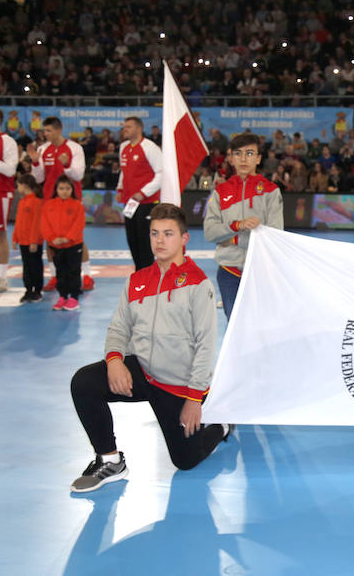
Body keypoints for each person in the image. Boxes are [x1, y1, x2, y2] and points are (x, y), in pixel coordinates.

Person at [69, 204, 232, 493]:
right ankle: (110, 460)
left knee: (185, 459)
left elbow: (205, 346)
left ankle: (221, 426)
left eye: (168, 234)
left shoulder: (198, 284)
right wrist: (115, 361)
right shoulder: (137, 280)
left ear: (183, 239)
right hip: (142, 372)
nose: (159, 240)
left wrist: (194, 399)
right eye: (154, 233)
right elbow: (118, 328)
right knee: (84, 382)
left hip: (178, 385)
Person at [203, 133, 284, 319]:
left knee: (260, 326)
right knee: (233, 325)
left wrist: (229, 240)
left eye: (249, 153)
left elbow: (275, 236)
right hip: (228, 270)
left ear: (258, 159)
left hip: (259, 271)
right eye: (238, 154)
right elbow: (209, 232)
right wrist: (237, 226)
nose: (243, 159)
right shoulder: (220, 192)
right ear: (231, 159)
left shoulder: (271, 191)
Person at [30, 116, 95, 291]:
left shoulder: (74, 148)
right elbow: (38, 178)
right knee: (50, 239)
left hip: (72, 199)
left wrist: (67, 165)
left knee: (76, 239)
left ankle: (87, 276)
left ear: (59, 130)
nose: (46, 134)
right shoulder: (43, 149)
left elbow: (79, 175)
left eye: (49, 130)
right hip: (50, 200)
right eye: (45, 131)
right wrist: (35, 162)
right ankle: (55, 277)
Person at [116, 116, 163, 271]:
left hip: (147, 202)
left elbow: (161, 173)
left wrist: (143, 192)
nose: (125, 130)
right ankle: (139, 272)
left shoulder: (150, 147)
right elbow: (124, 171)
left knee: (144, 240)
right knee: (132, 239)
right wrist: (120, 189)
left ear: (139, 129)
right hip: (129, 202)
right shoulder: (124, 147)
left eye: (129, 127)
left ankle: (149, 274)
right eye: (125, 127)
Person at [41, 175, 85, 311]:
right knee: (60, 272)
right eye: (61, 188)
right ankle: (63, 296)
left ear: (72, 190)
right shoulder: (49, 205)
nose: (64, 191)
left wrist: (68, 238)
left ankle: (74, 298)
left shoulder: (77, 205)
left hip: (73, 245)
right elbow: (44, 224)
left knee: (73, 271)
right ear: (56, 189)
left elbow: (79, 224)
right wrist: (51, 238)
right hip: (55, 246)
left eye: (67, 188)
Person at [0, 108, 19, 292]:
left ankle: (2, 277)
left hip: (0, 192)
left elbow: (11, 170)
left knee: (0, 234)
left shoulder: (7, 141)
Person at [11, 174, 43, 302]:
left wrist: (34, 241)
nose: (17, 188)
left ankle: (37, 290)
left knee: (35, 265)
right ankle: (28, 290)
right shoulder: (22, 202)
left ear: (24, 186)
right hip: (23, 241)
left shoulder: (36, 202)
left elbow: (37, 223)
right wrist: (15, 238)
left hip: (33, 242)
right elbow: (18, 221)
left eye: (18, 185)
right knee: (26, 266)